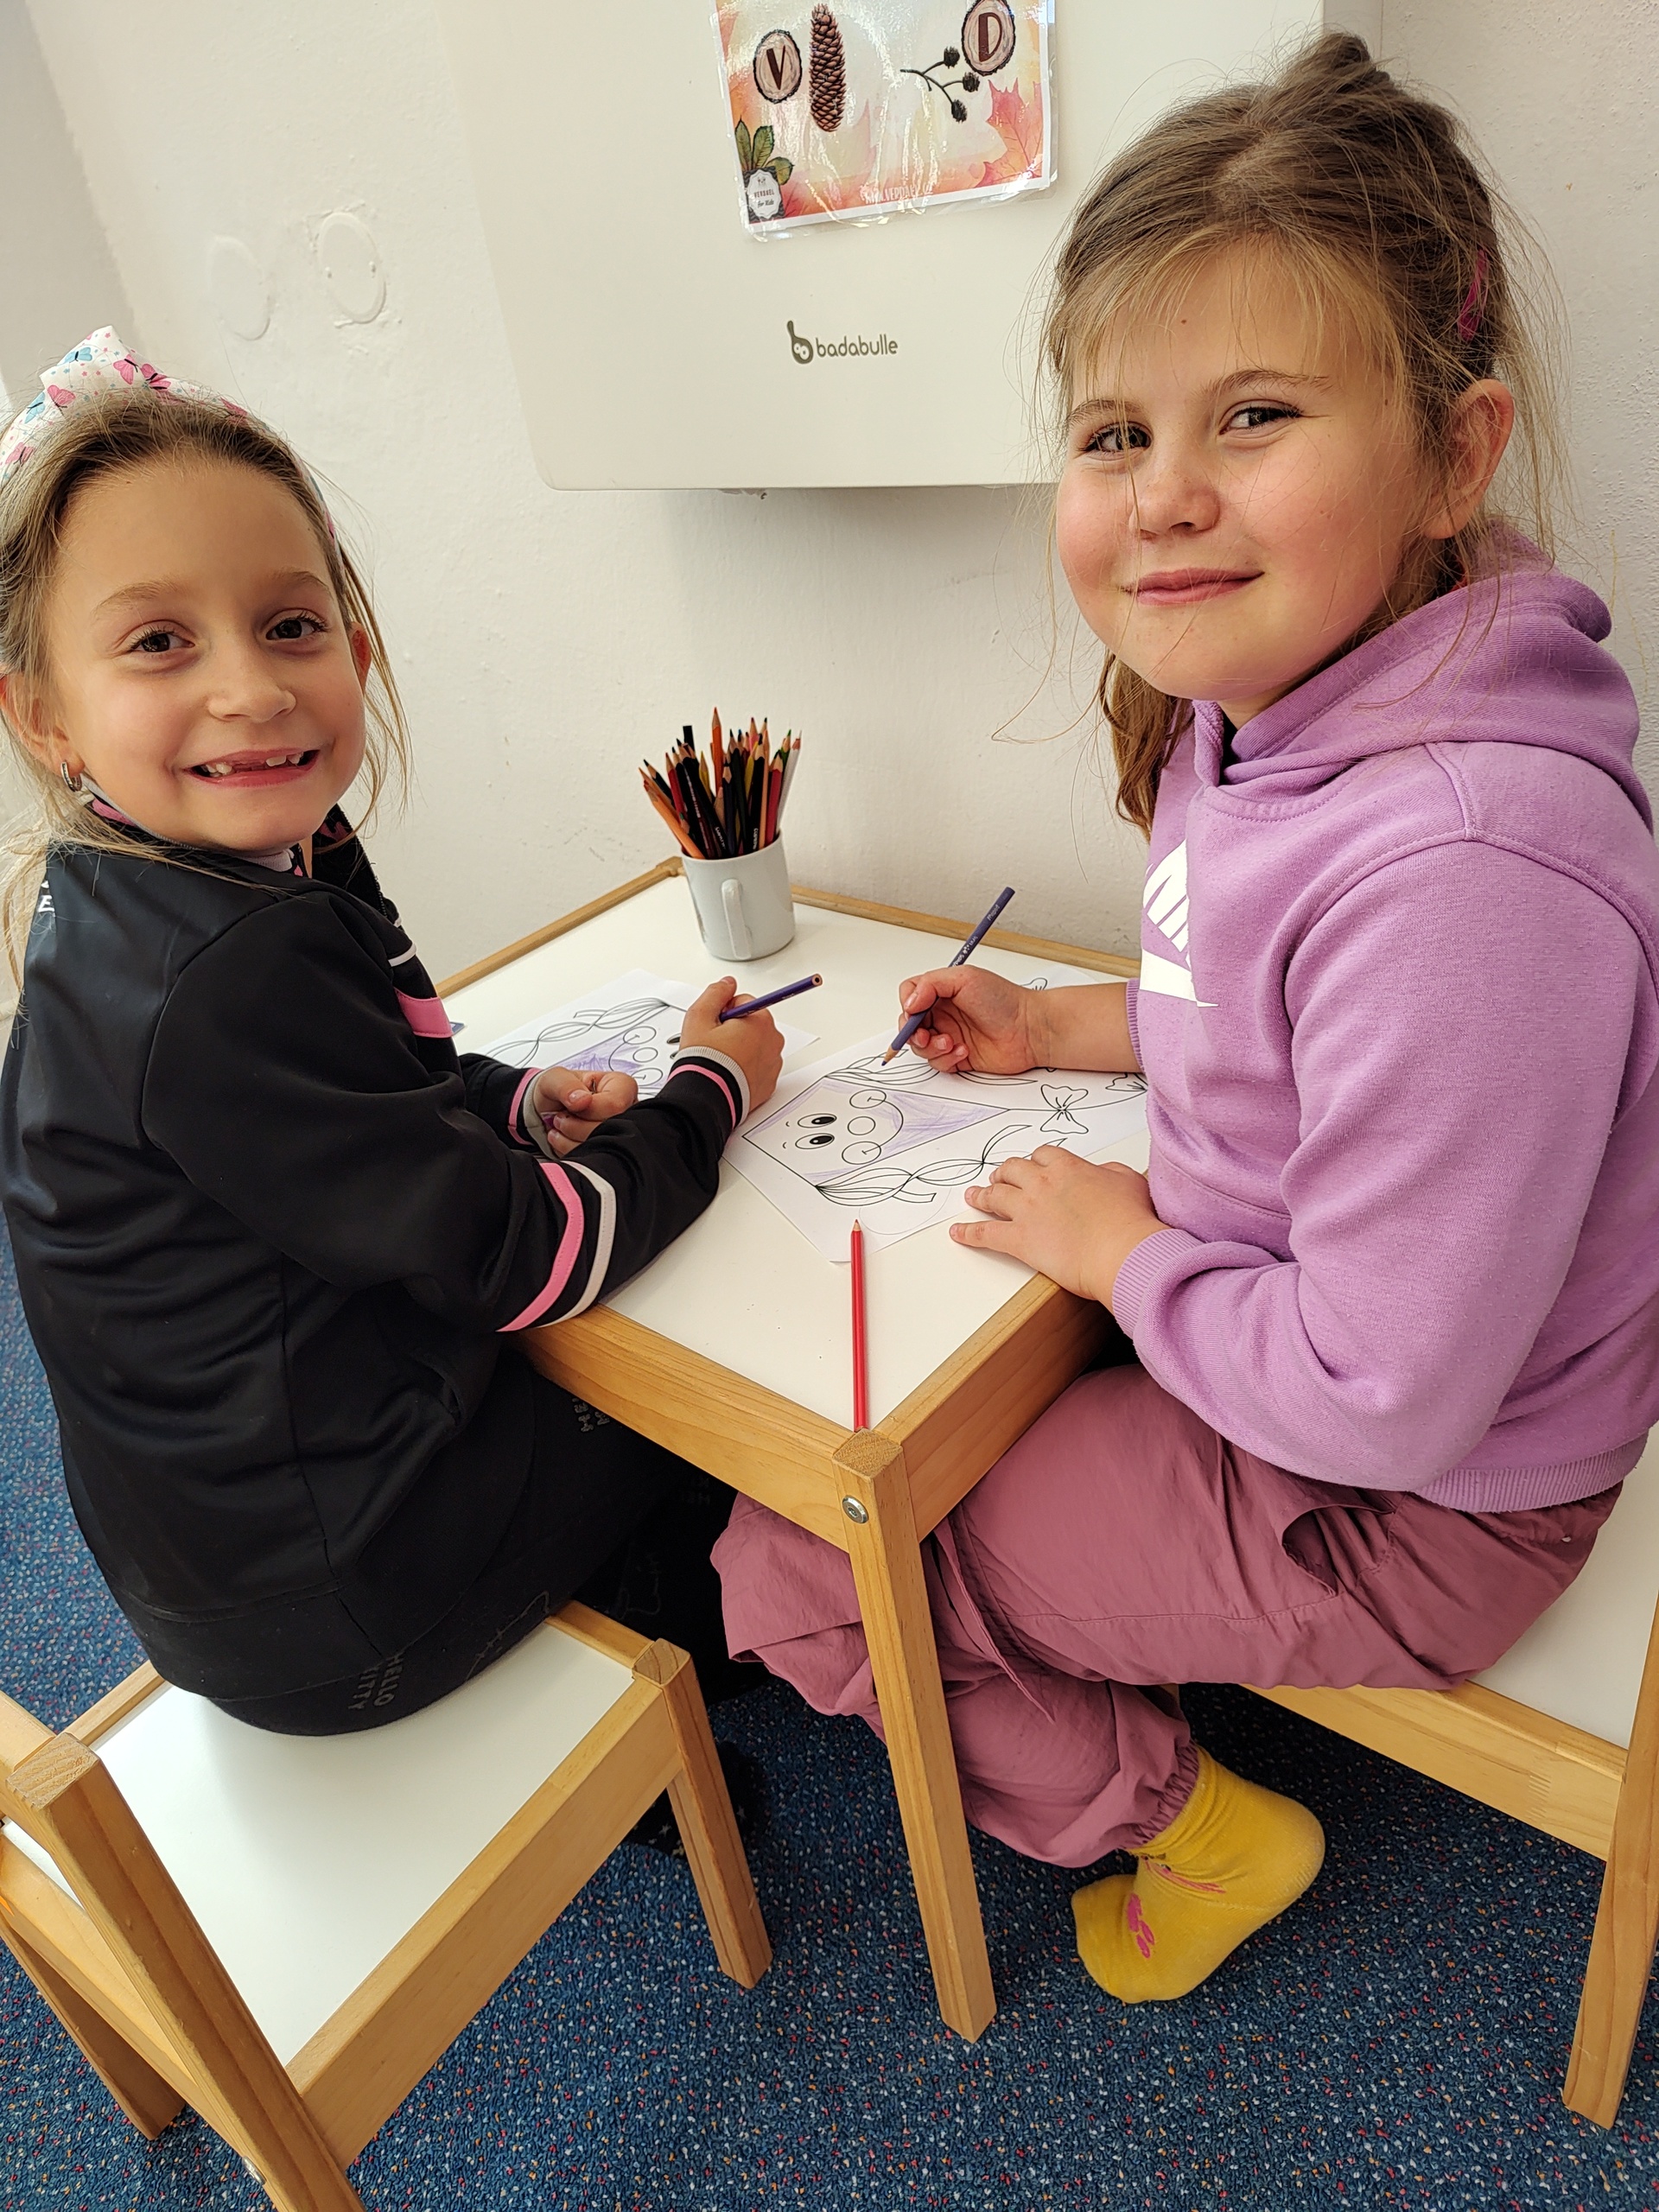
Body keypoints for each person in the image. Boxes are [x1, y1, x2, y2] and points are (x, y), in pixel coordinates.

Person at [714, 34, 1659, 2002]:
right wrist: (1062, 1024)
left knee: (801, 1573)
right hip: (1277, 1359)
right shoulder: (1277, 711)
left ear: (1456, 454)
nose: (1164, 496)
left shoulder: (1464, 868)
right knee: (826, 1475)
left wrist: (1124, 1254)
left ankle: (1196, 1827)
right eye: (1112, 433)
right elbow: (1260, 1015)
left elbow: (1383, 1394)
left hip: (1407, 1498)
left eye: (1253, 415)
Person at [0, 331, 782, 1742]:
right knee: (705, 1415)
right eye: (160, 642)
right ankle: (647, 1700)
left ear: (354, 651)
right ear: (43, 713)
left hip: (227, 1568)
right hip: (341, 1609)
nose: (252, 689)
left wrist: (511, 1103)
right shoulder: (227, 964)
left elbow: (369, 1093)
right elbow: (525, 1262)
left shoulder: (170, 878)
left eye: (289, 626)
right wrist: (708, 1095)